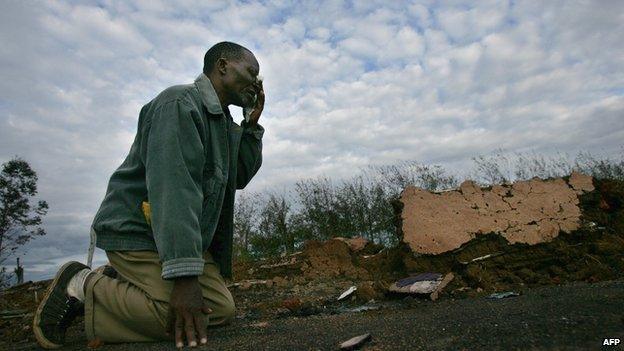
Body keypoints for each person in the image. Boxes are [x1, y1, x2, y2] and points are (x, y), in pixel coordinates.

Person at [33, 41, 265, 349]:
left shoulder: (222, 123)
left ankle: (118, 283)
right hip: (138, 232)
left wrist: (251, 127)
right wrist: (184, 277)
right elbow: (174, 190)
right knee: (183, 313)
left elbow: (239, 177)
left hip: (168, 239)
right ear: (222, 66)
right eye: (252, 72)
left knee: (219, 309)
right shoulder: (180, 104)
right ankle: (82, 284)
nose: (257, 83)